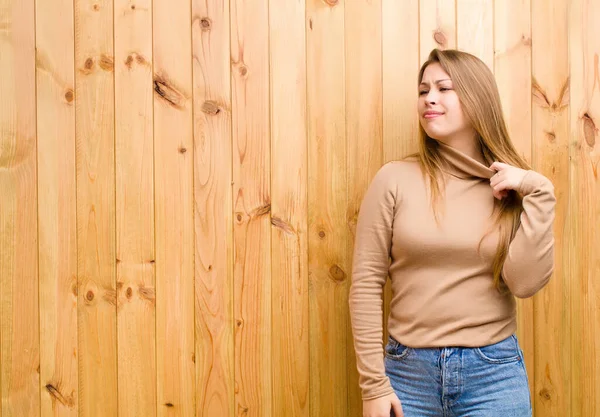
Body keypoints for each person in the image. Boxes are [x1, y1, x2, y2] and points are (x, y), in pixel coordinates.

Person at [348, 48, 555, 417]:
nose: (429, 98)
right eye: (423, 89)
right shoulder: (393, 180)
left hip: (494, 377)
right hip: (407, 377)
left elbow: (523, 284)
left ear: (478, 98)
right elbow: (365, 284)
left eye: (444, 88)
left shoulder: (511, 187)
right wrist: (373, 385)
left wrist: (539, 191)